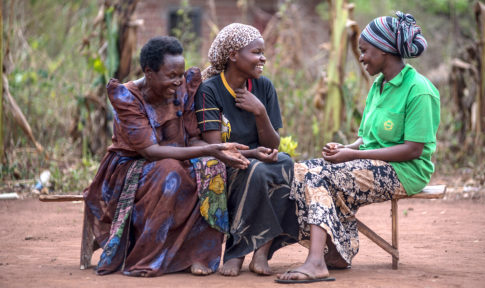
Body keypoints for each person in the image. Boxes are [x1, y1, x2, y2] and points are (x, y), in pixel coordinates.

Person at [277, 12, 439, 283]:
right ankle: (337, 251)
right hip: (371, 163)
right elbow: (365, 138)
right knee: (301, 170)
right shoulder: (379, 85)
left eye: (364, 51)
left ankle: (317, 261)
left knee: (322, 176)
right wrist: (345, 148)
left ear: (385, 50)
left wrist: (353, 156)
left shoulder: (419, 90)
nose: (361, 57)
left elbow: (413, 149)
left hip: (405, 171)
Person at [83, 36, 250, 277]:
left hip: (179, 160)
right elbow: (150, 152)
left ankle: (197, 254)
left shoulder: (183, 89)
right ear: (149, 72)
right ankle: (148, 258)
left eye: (180, 74)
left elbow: (193, 138)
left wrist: (218, 153)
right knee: (170, 170)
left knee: (211, 167)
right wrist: (208, 150)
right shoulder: (128, 98)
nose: (178, 81)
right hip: (131, 168)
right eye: (170, 75)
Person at [195, 23, 299, 276]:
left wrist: (260, 111)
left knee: (285, 162)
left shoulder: (264, 88)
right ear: (233, 55)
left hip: (257, 162)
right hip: (224, 164)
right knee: (259, 170)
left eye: (263, 53)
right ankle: (239, 252)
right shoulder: (210, 90)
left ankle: (261, 252)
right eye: (256, 52)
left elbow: (272, 145)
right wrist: (252, 154)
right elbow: (215, 146)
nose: (263, 58)